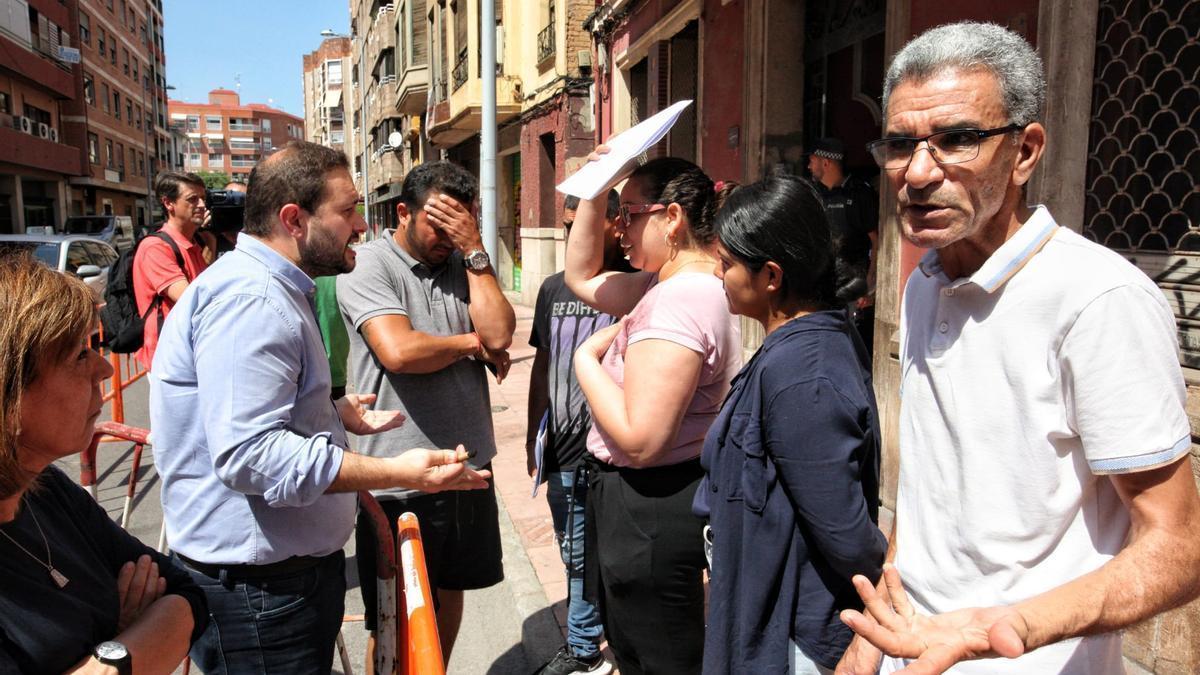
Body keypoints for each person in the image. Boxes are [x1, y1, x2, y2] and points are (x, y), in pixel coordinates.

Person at [836, 22, 1200, 675]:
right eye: (900, 145)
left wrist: (1009, 627)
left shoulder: (1098, 300)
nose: (918, 172)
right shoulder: (925, 287)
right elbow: (931, 490)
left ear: (1025, 151)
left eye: (957, 140)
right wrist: (874, 636)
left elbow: (1180, 547)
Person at [150, 142, 491, 674]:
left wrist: (331, 409)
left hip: (278, 577)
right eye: (348, 210)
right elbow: (249, 454)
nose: (360, 225)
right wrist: (395, 471)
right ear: (295, 219)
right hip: (259, 588)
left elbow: (260, 408)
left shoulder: (276, 289)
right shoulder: (253, 300)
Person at [695, 174, 887, 675]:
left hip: (795, 637)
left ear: (772, 276)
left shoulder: (805, 376)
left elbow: (846, 533)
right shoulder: (796, 349)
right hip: (765, 611)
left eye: (729, 264)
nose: (719, 275)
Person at [565, 156, 742, 674]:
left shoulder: (676, 301)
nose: (618, 227)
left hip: (651, 503)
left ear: (672, 218)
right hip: (656, 498)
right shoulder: (673, 285)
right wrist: (597, 189)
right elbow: (581, 276)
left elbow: (642, 440)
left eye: (629, 212)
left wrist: (584, 361)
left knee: (656, 654)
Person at [337, 160, 516, 669]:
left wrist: (475, 251)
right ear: (403, 212)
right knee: (392, 612)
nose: (449, 237)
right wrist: (469, 344)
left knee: (450, 590)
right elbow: (399, 351)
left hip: (466, 464)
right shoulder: (368, 264)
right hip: (395, 470)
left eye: (462, 224)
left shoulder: (467, 262)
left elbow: (502, 336)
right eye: (440, 223)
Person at [0, 250, 207, 674]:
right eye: (78, 355)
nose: (104, 370)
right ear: (9, 389)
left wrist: (108, 654)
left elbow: (187, 596)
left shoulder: (46, 491)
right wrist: (125, 638)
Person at [527, 190, 627, 675]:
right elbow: (542, 363)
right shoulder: (552, 288)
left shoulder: (634, 285)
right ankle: (595, 627)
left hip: (610, 449)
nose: (574, 236)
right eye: (568, 227)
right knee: (573, 548)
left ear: (613, 223)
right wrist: (532, 435)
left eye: (584, 224)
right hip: (561, 447)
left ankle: (585, 648)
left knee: (591, 552)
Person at [807, 138, 879, 355]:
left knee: (850, 348)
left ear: (826, 163)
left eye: (812, 161)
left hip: (852, 287)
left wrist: (869, 284)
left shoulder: (859, 195)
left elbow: (877, 241)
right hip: (823, 286)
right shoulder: (815, 194)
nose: (809, 166)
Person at [132, 171, 210, 370]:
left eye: (203, 198)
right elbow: (193, 300)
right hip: (169, 359)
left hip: (192, 352)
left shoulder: (195, 243)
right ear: (169, 203)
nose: (202, 205)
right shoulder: (156, 247)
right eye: (193, 199)